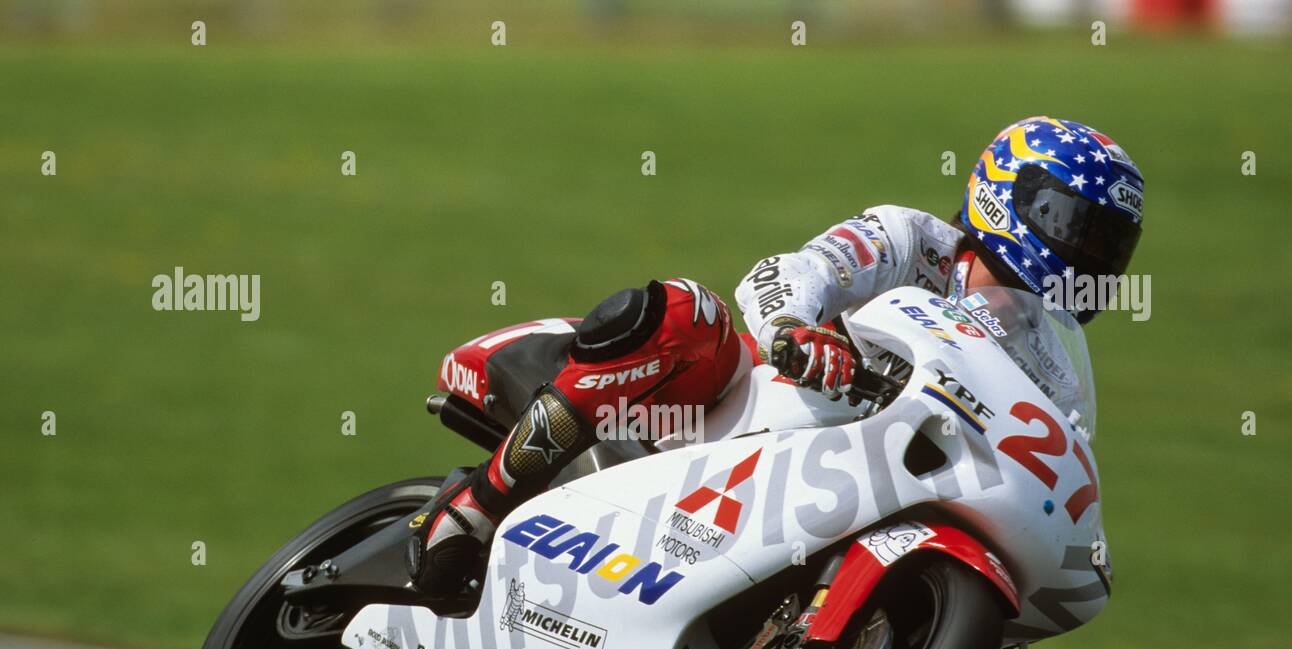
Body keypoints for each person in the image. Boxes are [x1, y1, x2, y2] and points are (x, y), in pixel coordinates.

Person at [409, 115, 1143, 601]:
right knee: (690, 316)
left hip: (870, 492)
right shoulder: (910, 241)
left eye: (1111, 244)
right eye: (1076, 226)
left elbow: (1061, 455)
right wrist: (796, 331)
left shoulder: (1056, 362)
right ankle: (475, 509)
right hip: (734, 424)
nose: (1091, 255)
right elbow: (789, 272)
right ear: (1008, 197)